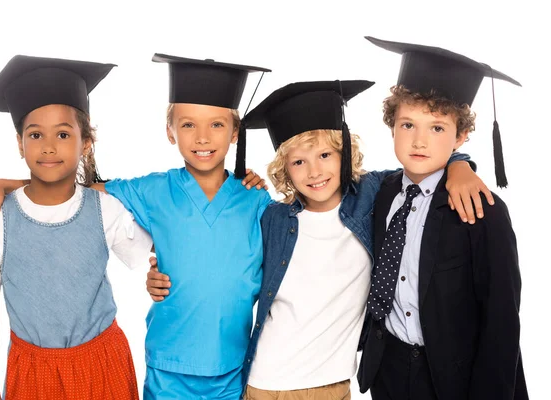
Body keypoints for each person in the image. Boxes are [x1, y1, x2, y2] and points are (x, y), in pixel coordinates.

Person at [147, 79, 490, 400]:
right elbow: (223, 256)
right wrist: (164, 272)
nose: (314, 172)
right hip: (262, 383)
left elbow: (422, 166)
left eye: (325, 155)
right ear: (285, 169)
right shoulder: (272, 218)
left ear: (345, 153)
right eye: (299, 161)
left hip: (329, 385)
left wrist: (461, 165)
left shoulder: (374, 197)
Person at [0, 54, 270, 400]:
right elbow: (67, 188)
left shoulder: (256, 201)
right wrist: (2, 184)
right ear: (170, 131)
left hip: (222, 367)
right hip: (162, 367)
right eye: (188, 124)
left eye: (216, 124)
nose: (202, 137)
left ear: (235, 133)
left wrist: (167, 268)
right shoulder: (151, 190)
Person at [0, 55, 154, 400]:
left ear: (86, 143)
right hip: (33, 374)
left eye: (63, 134)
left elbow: (154, 252)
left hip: (103, 366)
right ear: (20, 143)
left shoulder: (105, 210)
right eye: (35, 134)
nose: (49, 146)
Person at [357, 36, 528, 400]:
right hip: (387, 369)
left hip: (455, 379)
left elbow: (501, 320)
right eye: (407, 125)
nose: (419, 141)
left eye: (437, 128)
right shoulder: (382, 192)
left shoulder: (481, 210)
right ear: (391, 126)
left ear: (461, 135)